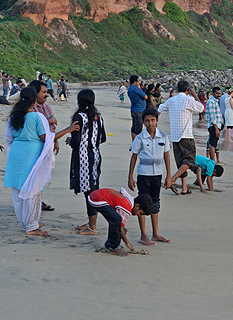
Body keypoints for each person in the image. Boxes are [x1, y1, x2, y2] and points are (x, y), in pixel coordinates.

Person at [3, 88, 78, 236]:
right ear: (35, 101)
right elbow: (47, 138)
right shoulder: (37, 117)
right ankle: (31, 225)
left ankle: (26, 223)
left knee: (19, 189)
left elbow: (9, 138)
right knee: (32, 189)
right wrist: (68, 130)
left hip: (17, 153)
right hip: (31, 153)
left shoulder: (14, 116)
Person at [128, 108, 172, 246]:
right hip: (143, 175)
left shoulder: (163, 136)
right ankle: (143, 235)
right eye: (147, 121)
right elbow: (134, 156)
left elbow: (166, 155)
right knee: (142, 203)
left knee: (155, 202)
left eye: (153, 120)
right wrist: (130, 177)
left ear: (157, 121)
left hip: (157, 175)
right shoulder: (140, 138)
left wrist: (169, 175)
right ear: (143, 122)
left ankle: (156, 233)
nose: (150, 123)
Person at [69, 89, 107, 235]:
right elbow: (103, 138)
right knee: (93, 187)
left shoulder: (79, 117)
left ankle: (93, 227)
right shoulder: (98, 117)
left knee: (89, 191)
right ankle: (91, 222)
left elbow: (76, 140)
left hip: (83, 158)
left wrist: (71, 141)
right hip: (96, 156)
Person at [158, 80, 204, 195]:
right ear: (188, 89)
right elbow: (201, 108)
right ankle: (172, 179)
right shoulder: (189, 100)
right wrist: (195, 95)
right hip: (186, 135)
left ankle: (184, 188)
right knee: (189, 160)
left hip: (174, 136)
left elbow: (160, 109)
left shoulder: (171, 100)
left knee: (181, 163)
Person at [86, 187, 153, 256]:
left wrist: (121, 227)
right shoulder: (127, 208)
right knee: (116, 221)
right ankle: (114, 247)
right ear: (137, 206)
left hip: (95, 195)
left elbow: (121, 192)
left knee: (115, 220)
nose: (139, 215)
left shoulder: (129, 199)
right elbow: (119, 226)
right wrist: (128, 243)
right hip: (96, 199)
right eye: (140, 213)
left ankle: (110, 244)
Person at [30, 80, 58, 212]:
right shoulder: (32, 108)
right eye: (44, 92)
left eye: (47, 92)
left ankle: (38, 199)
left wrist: (55, 141)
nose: (46, 95)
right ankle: (35, 201)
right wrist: (50, 120)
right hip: (37, 145)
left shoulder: (46, 107)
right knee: (36, 174)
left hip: (48, 143)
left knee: (43, 174)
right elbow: (36, 125)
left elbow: (52, 125)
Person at [205, 87, 224, 162]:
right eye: (217, 93)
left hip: (217, 125)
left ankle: (212, 160)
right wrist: (216, 129)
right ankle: (212, 161)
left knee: (214, 143)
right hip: (213, 126)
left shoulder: (216, 101)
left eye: (220, 93)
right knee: (213, 144)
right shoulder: (211, 102)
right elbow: (212, 116)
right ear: (213, 93)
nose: (219, 95)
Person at [127, 75, 148, 141]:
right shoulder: (136, 89)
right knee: (138, 129)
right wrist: (139, 88)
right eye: (138, 81)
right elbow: (145, 97)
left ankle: (134, 143)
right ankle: (136, 145)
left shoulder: (130, 89)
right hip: (139, 110)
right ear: (135, 81)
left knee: (134, 128)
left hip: (134, 109)